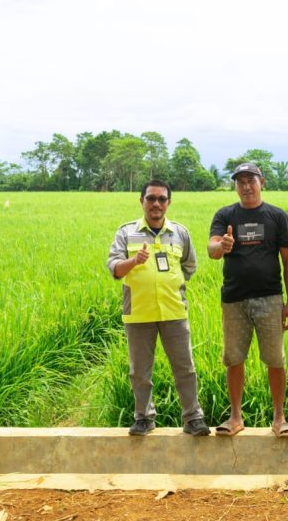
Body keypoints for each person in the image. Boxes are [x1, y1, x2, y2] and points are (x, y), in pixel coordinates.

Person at [106, 180, 210, 436]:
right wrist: (134, 261)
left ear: (168, 203)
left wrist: (170, 284)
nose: (156, 204)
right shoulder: (126, 232)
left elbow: (189, 266)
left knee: (185, 368)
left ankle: (193, 418)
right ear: (141, 201)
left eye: (162, 199)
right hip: (139, 313)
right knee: (140, 372)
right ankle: (143, 417)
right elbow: (114, 268)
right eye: (151, 198)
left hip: (174, 311)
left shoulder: (180, 232)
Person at [207, 162, 288, 437]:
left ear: (262, 182)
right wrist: (222, 246)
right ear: (235, 186)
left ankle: (279, 417)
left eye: (251, 180)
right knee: (234, 358)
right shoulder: (225, 215)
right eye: (240, 181)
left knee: (275, 359)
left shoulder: (277, 216)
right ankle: (235, 417)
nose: (246, 186)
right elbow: (212, 249)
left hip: (270, 298)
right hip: (234, 299)